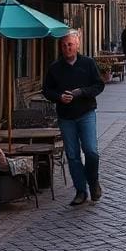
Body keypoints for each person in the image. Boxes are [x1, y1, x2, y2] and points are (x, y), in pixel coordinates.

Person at [42, 30, 105, 206]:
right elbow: (47, 90)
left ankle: (93, 182)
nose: (67, 48)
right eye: (64, 45)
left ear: (77, 45)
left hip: (86, 113)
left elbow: (99, 85)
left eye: (70, 44)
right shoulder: (55, 68)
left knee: (91, 151)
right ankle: (80, 191)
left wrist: (82, 92)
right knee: (72, 155)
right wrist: (59, 97)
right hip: (66, 117)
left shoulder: (88, 63)